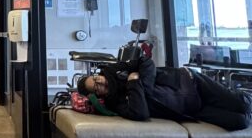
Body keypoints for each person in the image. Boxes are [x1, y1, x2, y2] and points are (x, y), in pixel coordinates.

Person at [78, 55, 252, 131]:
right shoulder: (115, 103)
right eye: (95, 88)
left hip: (192, 83)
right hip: (192, 110)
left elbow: (146, 62)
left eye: (95, 79)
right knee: (240, 121)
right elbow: (140, 113)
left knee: (242, 103)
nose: (99, 83)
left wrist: (142, 89)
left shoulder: (115, 69)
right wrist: (133, 83)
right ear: (98, 95)